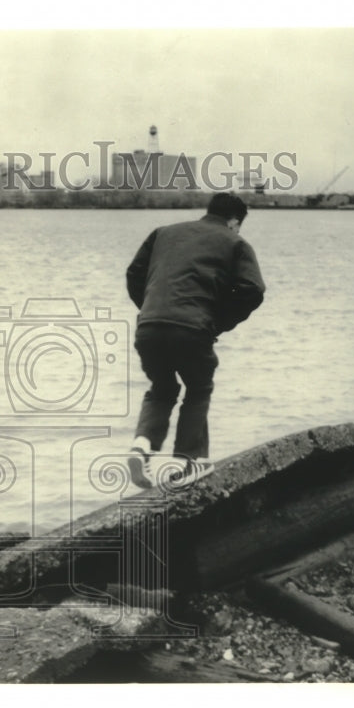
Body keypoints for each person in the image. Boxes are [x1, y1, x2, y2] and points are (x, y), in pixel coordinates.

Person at [125, 192, 266, 488]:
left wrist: (151, 308)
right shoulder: (236, 242)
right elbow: (252, 290)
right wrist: (217, 322)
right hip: (193, 327)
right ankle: (188, 460)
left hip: (149, 326)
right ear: (234, 222)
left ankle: (142, 445)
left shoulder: (163, 233)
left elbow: (135, 273)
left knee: (162, 388)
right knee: (199, 388)